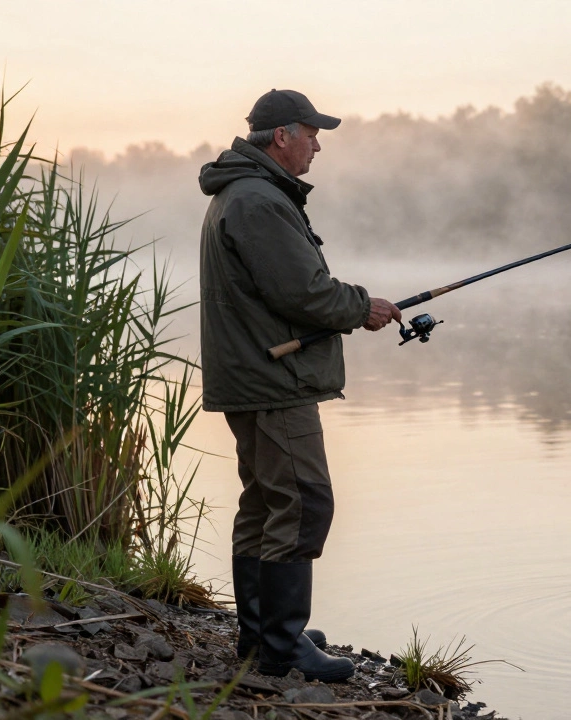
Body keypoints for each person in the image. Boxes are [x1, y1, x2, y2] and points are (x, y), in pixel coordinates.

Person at [198, 89, 401, 682]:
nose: (318, 146)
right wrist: (361, 306)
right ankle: (281, 648)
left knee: (265, 501)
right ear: (281, 136)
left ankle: (261, 636)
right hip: (273, 380)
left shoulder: (245, 192)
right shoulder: (259, 201)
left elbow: (291, 288)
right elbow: (303, 292)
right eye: (312, 135)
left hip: (255, 374)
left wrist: (353, 306)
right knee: (303, 500)